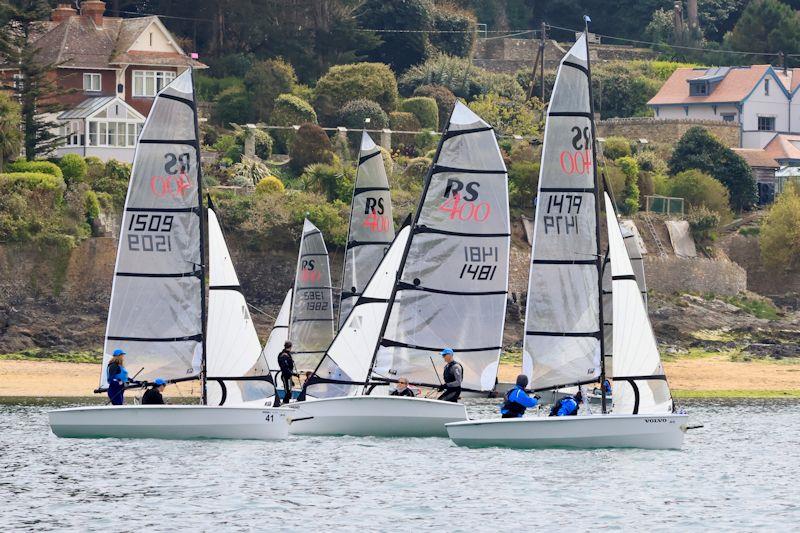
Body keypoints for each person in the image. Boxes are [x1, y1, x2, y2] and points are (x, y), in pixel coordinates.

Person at [277, 341, 295, 405]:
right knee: (288, 391)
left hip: (288, 375)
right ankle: (284, 403)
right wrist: (292, 374)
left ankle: (286, 403)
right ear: (290, 347)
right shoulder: (283, 355)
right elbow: (284, 368)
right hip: (285, 376)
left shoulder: (287, 354)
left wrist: (292, 375)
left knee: (290, 391)